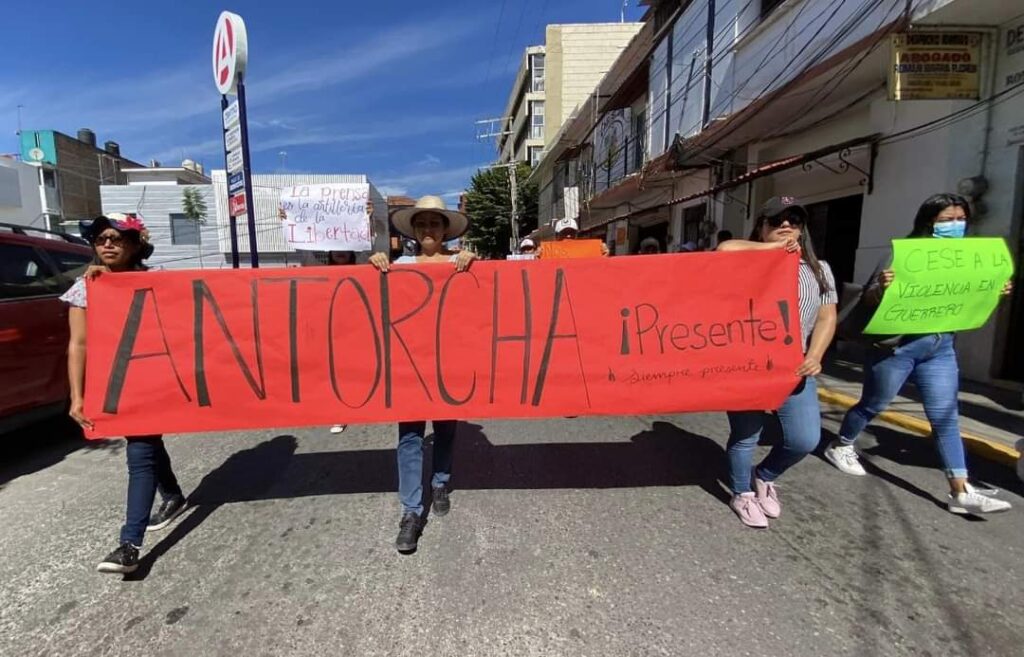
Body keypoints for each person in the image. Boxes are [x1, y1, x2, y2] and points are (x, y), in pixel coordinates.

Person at [823, 193, 1013, 515]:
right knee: (873, 404)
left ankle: (960, 491)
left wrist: (995, 290)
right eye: (947, 220)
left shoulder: (971, 259)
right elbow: (867, 299)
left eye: (960, 219)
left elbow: (968, 300)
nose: (955, 225)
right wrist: (882, 288)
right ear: (929, 222)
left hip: (940, 348)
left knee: (945, 417)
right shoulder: (904, 254)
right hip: (897, 349)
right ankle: (841, 445)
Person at [63, 214, 188, 574]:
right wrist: (77, 396)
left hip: (155, 380)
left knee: (140, 451)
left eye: (116, 238)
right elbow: (78, 344)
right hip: (119, 385)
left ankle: (129, 544)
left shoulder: (157, 281)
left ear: (135, 246)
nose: (107, 244)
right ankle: (172, 496)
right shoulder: (86, 287)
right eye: (101, 239)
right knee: (146, 445)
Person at [717, 197, 837, 528]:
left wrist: (815, 355)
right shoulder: (745, 261)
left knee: (804, 439)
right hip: (747, 366)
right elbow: (724, 249)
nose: (786, 225)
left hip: (794, 367)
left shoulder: (819, 269)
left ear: (803, 229)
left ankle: (765, 475)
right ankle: (741, 493)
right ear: (761, 227)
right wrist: (773, 250)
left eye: (794, 221)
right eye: (776, 220)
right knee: (746, 435)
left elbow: (827, 317)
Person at [369, 195, 476, 553]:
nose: (428, 228)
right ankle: (411, 512)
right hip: (409, 366)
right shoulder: (398, 266)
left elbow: (482, 301)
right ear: (413, 230)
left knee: (445, 430)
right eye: (421, 223)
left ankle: (440, 482)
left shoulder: (462, 264)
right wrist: (375, 262)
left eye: (434, 222)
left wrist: (472, 262)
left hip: (449, 364)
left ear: (446, 230)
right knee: (410, 437)